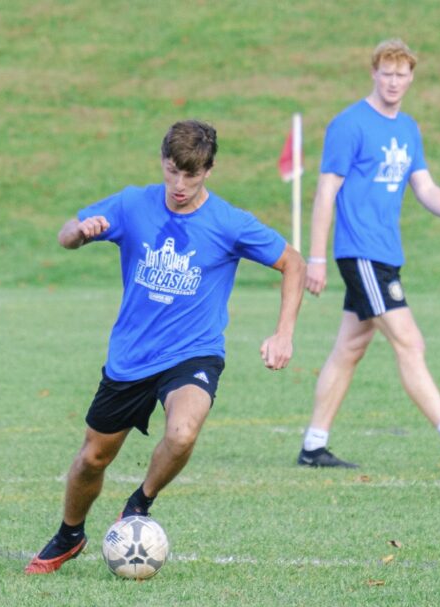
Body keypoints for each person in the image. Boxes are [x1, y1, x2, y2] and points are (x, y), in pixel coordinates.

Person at [25, 120, 306, 574]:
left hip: (193, 353)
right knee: (91, 459)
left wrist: (284, 333)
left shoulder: (228, 222)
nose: (179, 185)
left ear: (208, 171)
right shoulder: (133, 204)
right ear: (162, 161)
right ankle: (69, 533)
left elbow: (293, 261)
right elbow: (66, 234)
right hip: (131, 357)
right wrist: (79, 233)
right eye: (173, 171)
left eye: (191, 175)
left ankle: (138, 505)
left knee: (182, 432)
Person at [298, 39, 440, 469]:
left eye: (401, 74)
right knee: (410, 341)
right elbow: (325, 193)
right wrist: (316, 258)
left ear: (411, 77)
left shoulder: (408, 129)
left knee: (350, 347)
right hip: (361, 252)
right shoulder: (349, 125)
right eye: (386, 73)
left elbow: (425, 187)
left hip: (386, 252)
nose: (393, 81)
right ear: (374, 73)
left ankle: (314, 445)